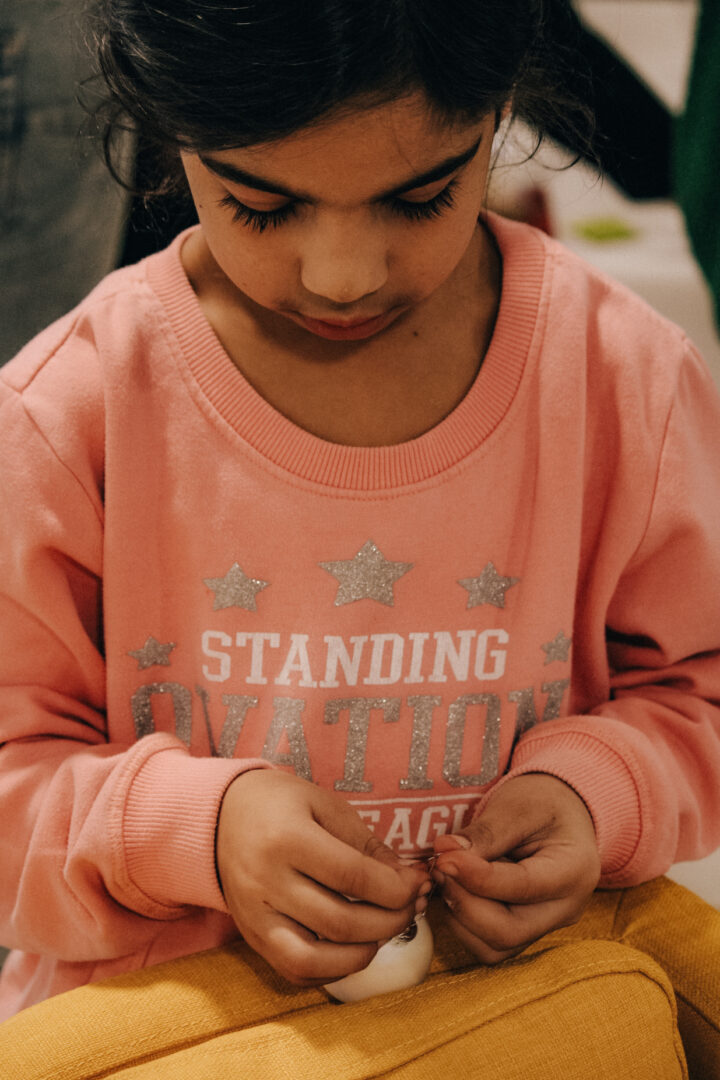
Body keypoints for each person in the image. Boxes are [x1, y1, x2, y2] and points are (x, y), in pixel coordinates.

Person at [2, 0, 720, 1021]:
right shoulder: (66, 413)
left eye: (422, 198)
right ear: (171, 128)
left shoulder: (624, 380)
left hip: (516, 1028)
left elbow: (699, 693)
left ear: (500, 108)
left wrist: (597, 792)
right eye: (259, 206)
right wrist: (195, 831)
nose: (343, 277)